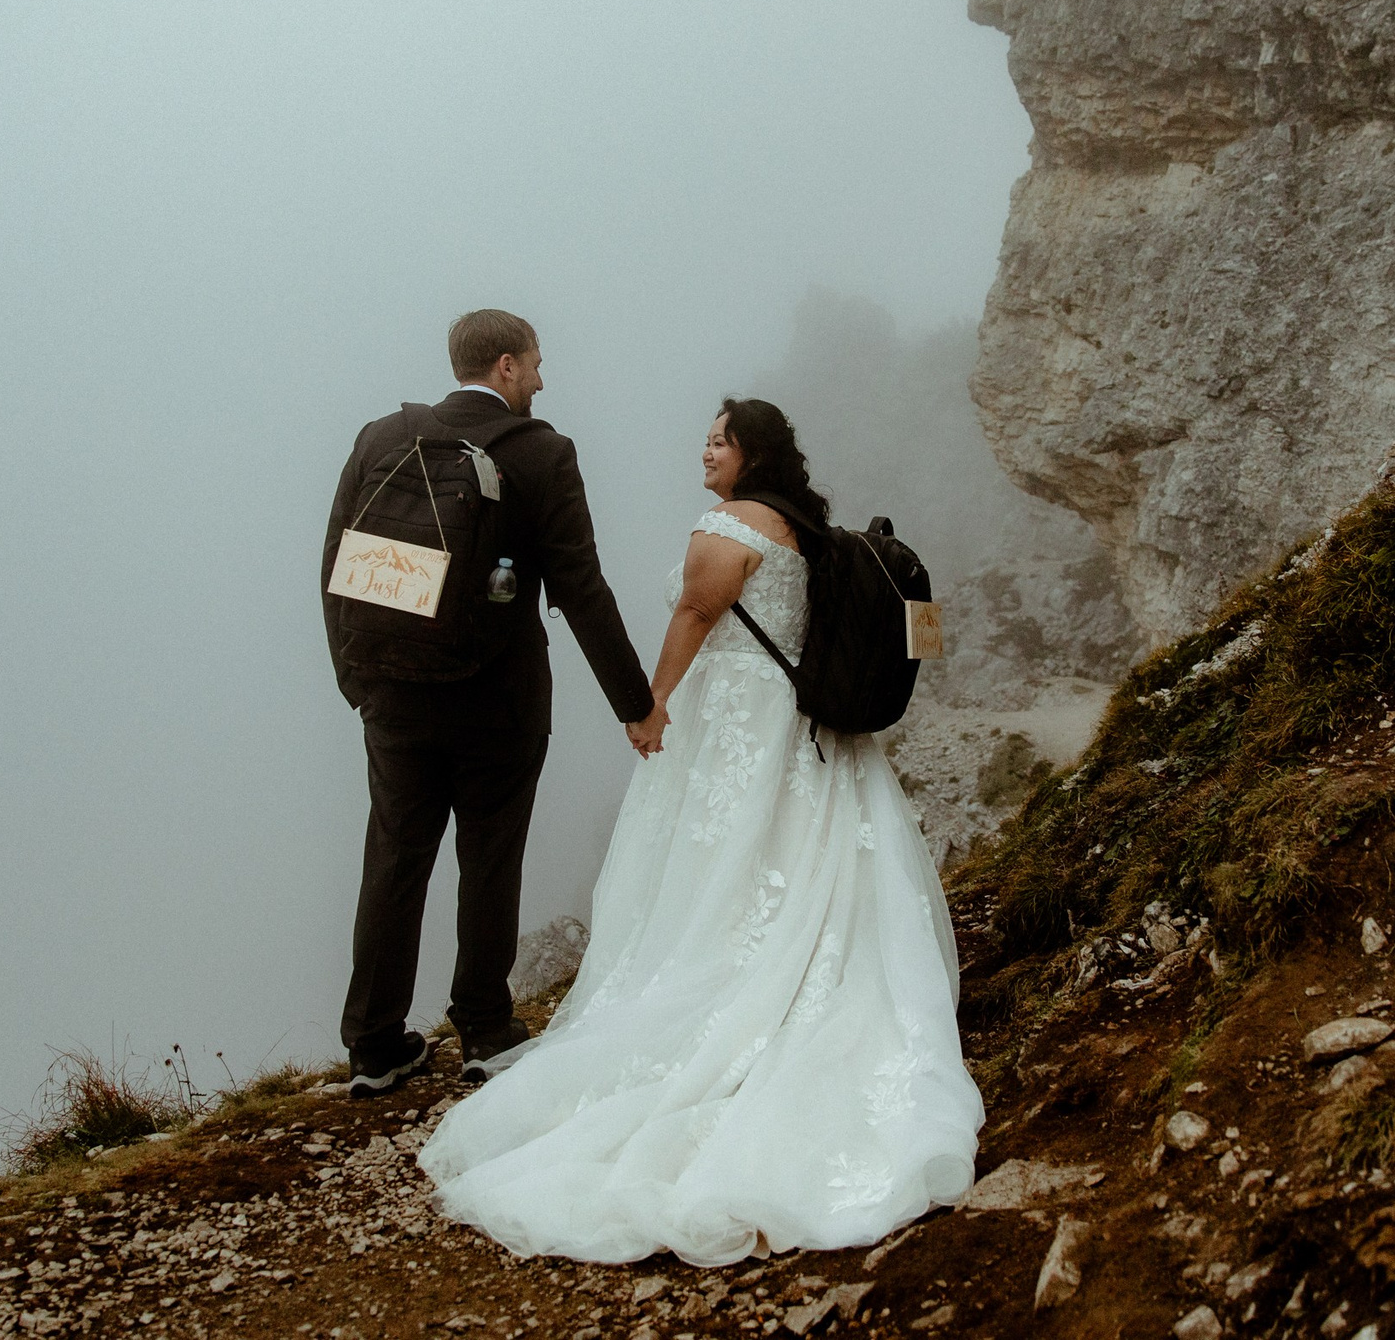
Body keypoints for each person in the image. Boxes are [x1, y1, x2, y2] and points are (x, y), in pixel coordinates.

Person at [416, 398, 982, 1264]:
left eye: (717, 439)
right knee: (799, 854)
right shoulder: (804, 527)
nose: (704, 451)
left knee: (723, 861)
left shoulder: (732, 521)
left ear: (748, 451)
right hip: (799, 725)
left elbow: (695, 612)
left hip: (741, 722)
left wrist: (652, 703)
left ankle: (721, 1003)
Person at [324, 309, 666, 1099]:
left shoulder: (382, 439)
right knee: (489, 857)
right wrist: (635, 702)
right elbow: (581, 587)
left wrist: (359, 681)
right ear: (507, 366)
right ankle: (484, 1026)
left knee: (394, 859)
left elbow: (336, 560)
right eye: (538, 364)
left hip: (395, 697)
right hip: (499, 703)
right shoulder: (543, 454)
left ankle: (375, 1045)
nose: (544, 380)